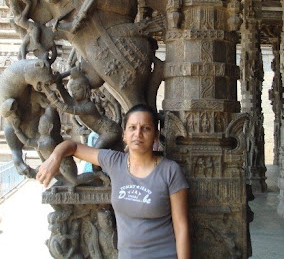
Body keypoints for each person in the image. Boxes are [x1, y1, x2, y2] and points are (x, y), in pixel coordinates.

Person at [36, 104, 190, 259]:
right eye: (132, 128)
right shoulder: (114, 162)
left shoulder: (170, 171)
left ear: (155, 135)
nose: (138, 133)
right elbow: (73, 146)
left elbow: (181, 227)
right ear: (124, 135)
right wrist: (55, 158)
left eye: (146, 128)